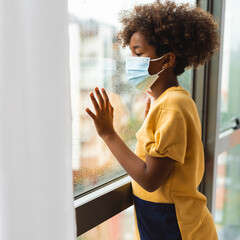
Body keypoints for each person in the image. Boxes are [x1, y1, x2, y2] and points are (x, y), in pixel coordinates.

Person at [85, 1, 219, 239]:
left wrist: (108, 134)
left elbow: (150, 179)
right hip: (167, 224)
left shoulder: (172, 107)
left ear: (167, 61)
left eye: (138, 53)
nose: (131, 61)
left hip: (180, 230)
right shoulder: (171, 103)